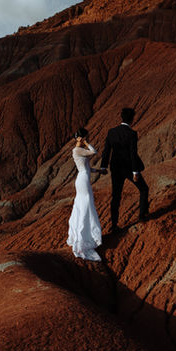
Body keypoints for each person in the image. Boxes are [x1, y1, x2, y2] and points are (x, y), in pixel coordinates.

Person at [99, 107, 149, 231]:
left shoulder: (112, 132)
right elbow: (133, 153)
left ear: (121, 117)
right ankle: (142, 216)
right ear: (132, 119)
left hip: (115, 168)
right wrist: (135, 171)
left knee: (116, 195)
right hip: (128, 168)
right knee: (143, 189)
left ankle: (114, 225)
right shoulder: (132, 134)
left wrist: (103, 166)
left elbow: (106, 151)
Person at [67, 128, 102, 261]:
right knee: (85, 205)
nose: (87, 139)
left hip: (83, 178)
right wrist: (86, 143)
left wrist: (97, 171)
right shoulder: (77, 150)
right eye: (85, 137)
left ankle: (84, 237)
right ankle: (83, 239)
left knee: (84, 205)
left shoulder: (79, 151)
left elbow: (86, 167)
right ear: (80, 138)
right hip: (82, 180)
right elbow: (94, 152)